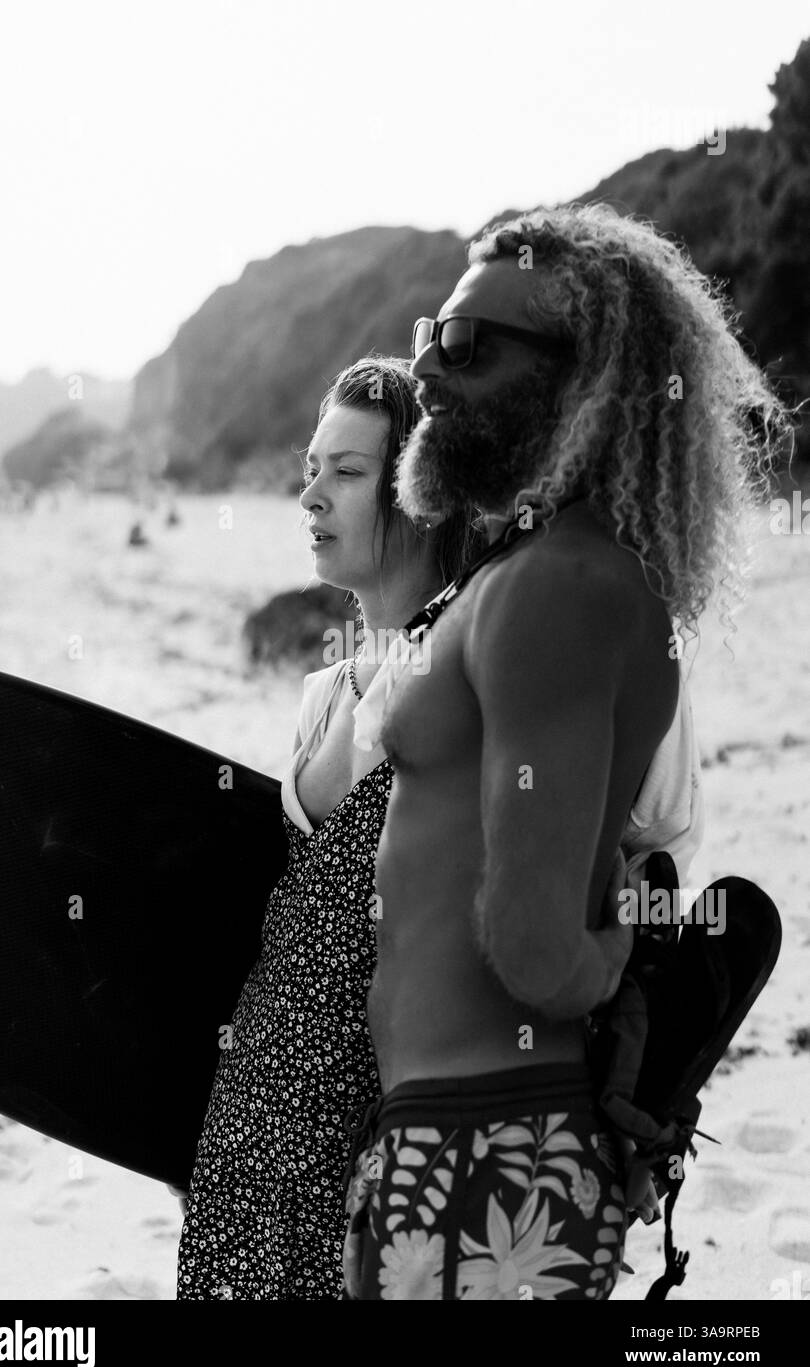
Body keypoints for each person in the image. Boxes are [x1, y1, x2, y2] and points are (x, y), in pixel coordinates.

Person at [341, 203, 791, 1301]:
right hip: (452, 1142)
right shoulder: (532, 572)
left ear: (585, 377)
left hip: (491, 1151)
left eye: (470, 346)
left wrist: (601, 963)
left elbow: (532, 948)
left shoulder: (561, 588)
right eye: (428, 339)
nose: (430, 374)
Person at [175, 356, 480, 1299]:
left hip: (402, 1103)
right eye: (310, 468)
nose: (311, 493)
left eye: (346, 472)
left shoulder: (477, 653)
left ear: (420, 488)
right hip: (269, 1102)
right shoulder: (324, 693)